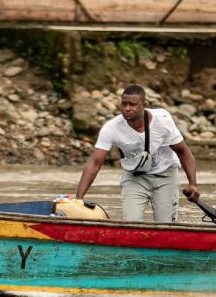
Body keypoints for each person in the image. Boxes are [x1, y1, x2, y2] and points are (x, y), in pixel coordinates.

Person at [75, 85, 200, 222]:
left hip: (166, 177)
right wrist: (79, 200)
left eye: (133, 104)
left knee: (166, 226)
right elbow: (95, 163)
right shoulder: (111, 128)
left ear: (144, 105)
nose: (127, 108)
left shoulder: (162, 121)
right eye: (124, 104)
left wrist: (192, 184)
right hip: (134, 178)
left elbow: (183, 152)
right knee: (130, 223)